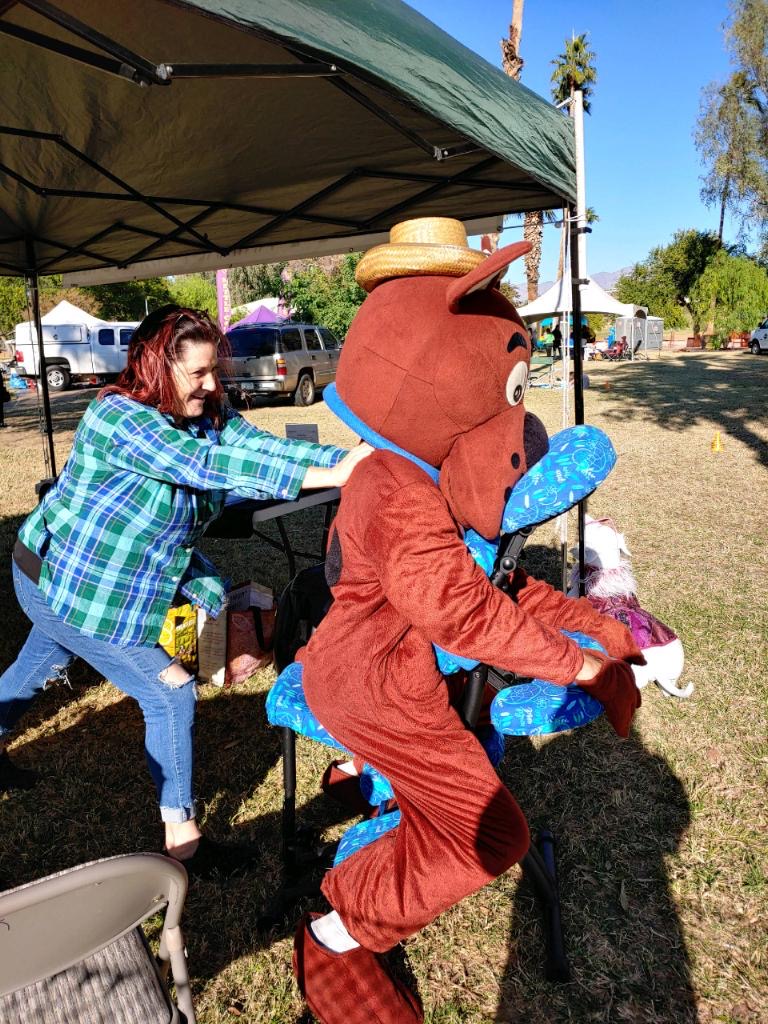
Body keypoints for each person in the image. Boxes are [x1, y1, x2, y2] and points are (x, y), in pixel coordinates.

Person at [0, 305, 371, 876]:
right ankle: (185, 843)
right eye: (197, 373)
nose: (211, 384)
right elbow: (209, 465)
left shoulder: (204, 412)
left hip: (101, 580)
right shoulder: (116, 417)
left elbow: (263, 449)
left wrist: (347, 462)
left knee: (37, 661)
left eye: (213, 371)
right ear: (154, 366)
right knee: (170, 694)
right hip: (60, 581)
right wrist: (337, 476)